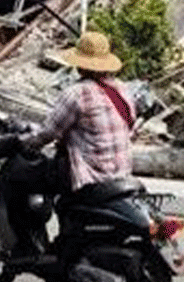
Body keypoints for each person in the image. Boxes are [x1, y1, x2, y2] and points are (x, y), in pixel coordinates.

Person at [23, 31, 135, 194]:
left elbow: (49, 132)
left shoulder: (77, 93)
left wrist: (26, 143)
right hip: (122, 174)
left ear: (80, 66)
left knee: (38, 177)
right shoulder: (123, 90)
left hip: (91, 178)